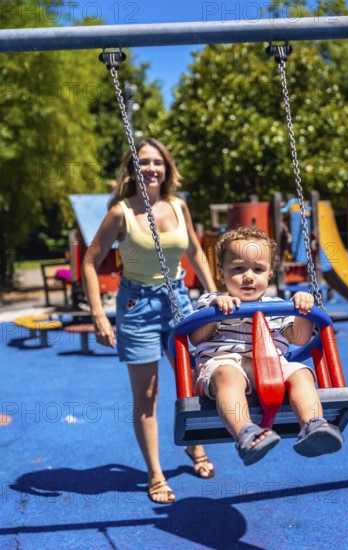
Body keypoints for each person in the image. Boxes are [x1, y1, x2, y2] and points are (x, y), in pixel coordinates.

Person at [81, 138, 217, 503]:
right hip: (137, 306)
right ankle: (156, 474)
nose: (151, 168)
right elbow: (90, 262)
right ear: (131, 170)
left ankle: (196, 447)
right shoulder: (120, 213)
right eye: (143, 162)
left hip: (179, 301)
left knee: (194, 383)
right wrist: (98, 314)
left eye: (158, 162)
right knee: (147, 397)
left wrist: (215, 292)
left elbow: (195, 252)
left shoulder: (178, 205)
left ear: (167, 168)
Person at [189, 226, 344, 467]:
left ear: (269, 274)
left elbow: (300, 338)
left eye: (258, 269)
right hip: (225, 362)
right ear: (221, 273)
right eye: (238, 269)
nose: (248, 276)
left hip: (272, 365)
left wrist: (302, 310)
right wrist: (215, 312)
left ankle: (313, 425)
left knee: (301, 373)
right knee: (228, 376)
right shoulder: (213, 301)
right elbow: (196, 338)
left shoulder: (278, 305)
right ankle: (246, 434)